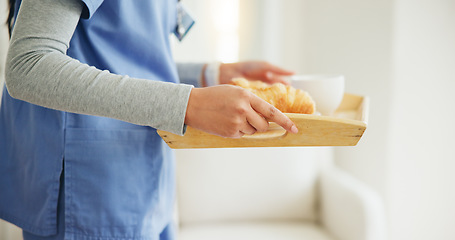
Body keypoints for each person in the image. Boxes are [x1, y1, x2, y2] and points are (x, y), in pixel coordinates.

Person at [0, 0, 298, 239]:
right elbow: (29, 65)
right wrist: (188, 104)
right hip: (92, 196)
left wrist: (210, 75)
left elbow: (124, 58)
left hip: (141, 183)